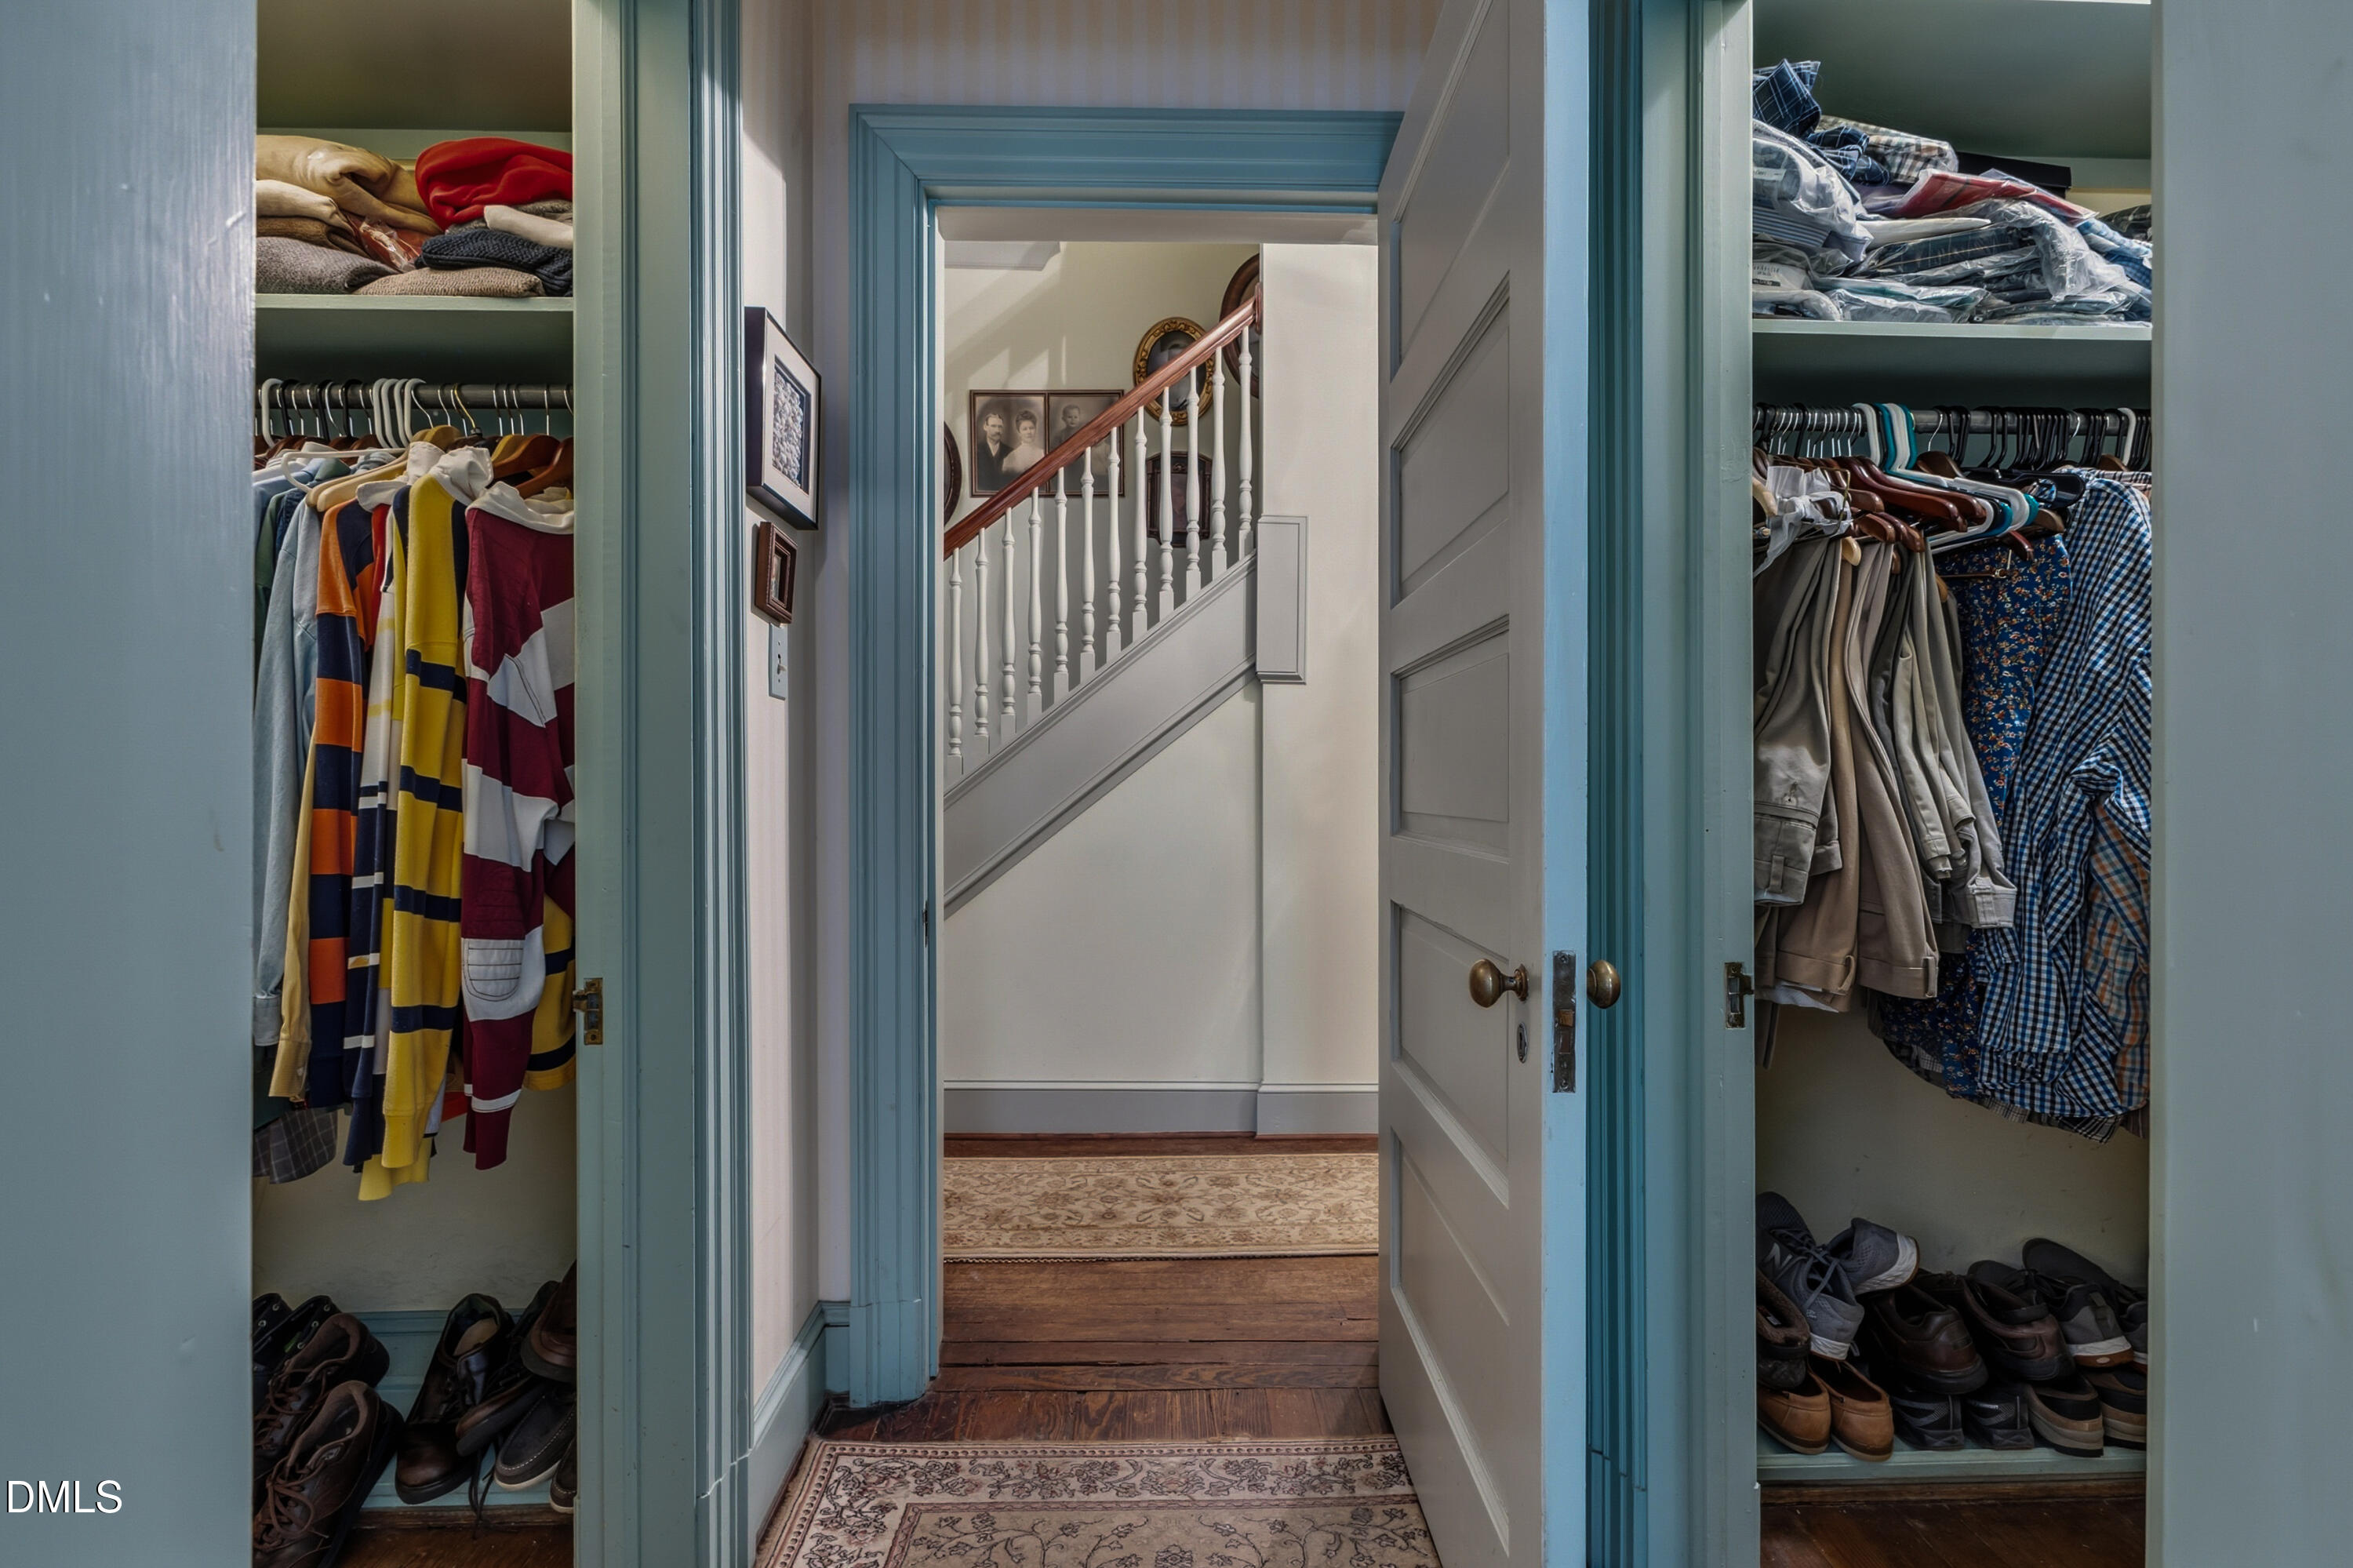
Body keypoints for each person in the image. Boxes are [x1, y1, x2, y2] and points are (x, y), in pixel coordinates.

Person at [1004, 408, 1045, 478]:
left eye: (1031, 428)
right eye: (1024, 429)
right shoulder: (1010, 458)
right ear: (1019, 432)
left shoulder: (1042, 454)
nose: (1029, 432)